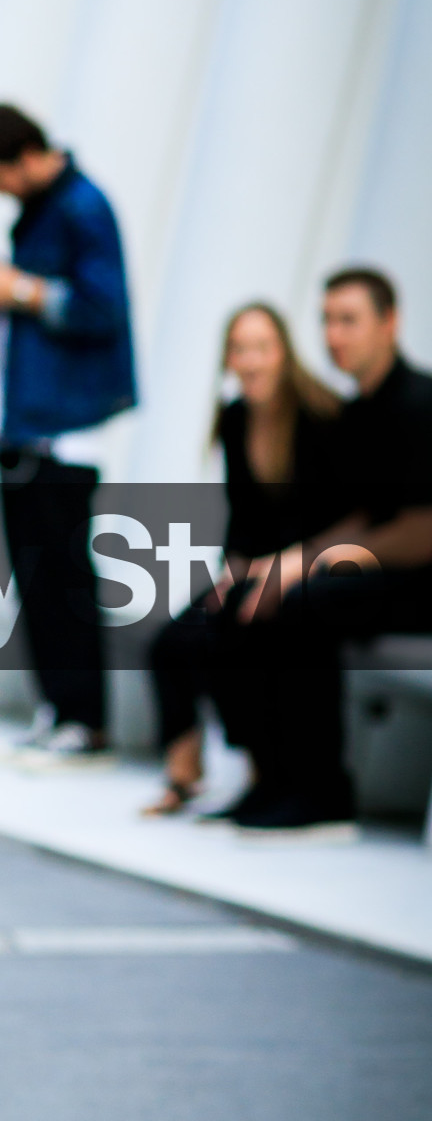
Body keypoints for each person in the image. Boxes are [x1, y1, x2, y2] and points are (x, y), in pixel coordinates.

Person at [223, 268, 432, 831]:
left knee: (303, 603)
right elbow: (359, 519)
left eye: (349, 321)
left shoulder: (420, 403)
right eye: (326, 321)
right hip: (380, 574)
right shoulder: (359, 412)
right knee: (255, 596)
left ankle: (323, 794)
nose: (334, 336)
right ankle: (275, 779)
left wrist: (308, 563)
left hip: (420, 581)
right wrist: (286, 563)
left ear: (390, 323)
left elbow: (419, 533)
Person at [0, 103, 137, 761]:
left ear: (25, 158)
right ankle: (59, 709)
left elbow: (102, 308)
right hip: (29, 426)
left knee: (63, 574)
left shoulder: (83, 208)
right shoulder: (45, 210)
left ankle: (83, 720)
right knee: (35, 574)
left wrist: (21, 290)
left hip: (64, 430)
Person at [143, 304, 340, 815]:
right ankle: (184, 774)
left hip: (310, 567)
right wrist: (232, 573)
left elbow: (331, 521)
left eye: (261, 348)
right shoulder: (234, 418)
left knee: (236, 632)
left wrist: (273, 570)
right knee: (170, 642)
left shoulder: (318, 416)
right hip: (252, 567)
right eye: (239, 349)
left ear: (283, 354)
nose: (249, 361)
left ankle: (263, 774)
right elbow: (241, 517)